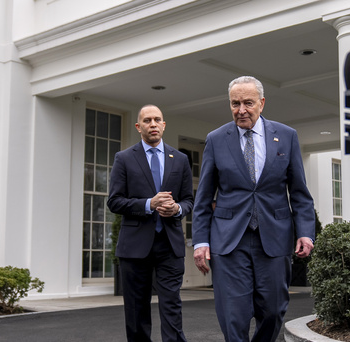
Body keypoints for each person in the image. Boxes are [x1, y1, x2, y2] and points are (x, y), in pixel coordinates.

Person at [192, 76, 315, 341]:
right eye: (235, 103)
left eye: (248, 103)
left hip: (274, 238)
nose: (241, 110)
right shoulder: (216, 139)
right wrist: (200, 240)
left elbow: (299, 193)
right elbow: (203, 198)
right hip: (228, 241)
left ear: (261, 103)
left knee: (272, 311)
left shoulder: (286, 136)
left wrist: (305, 231)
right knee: (233, 315)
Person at [107, 104, 193, 342]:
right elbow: (114, 202)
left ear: (164, 125)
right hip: (134, 247)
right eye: (147, 120)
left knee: (172, 306)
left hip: (170, 245)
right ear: (139, 126)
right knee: (136, 310)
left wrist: (177, 209)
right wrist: (148, 204)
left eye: (157, 120)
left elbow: (189, 201)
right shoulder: (124, 158)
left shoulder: (181, 159)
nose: (153, 124)